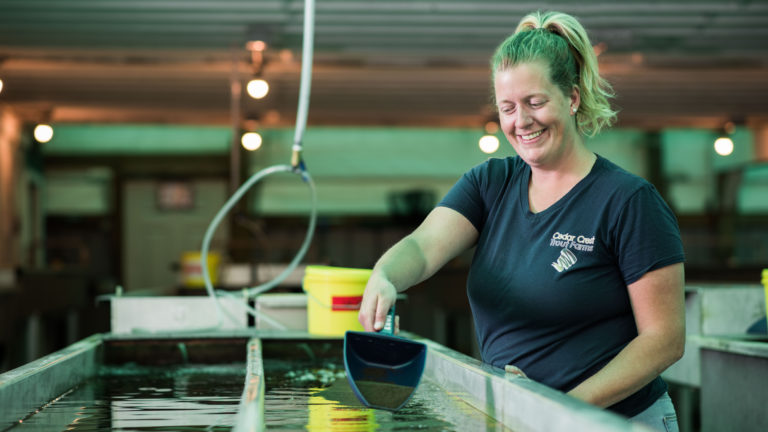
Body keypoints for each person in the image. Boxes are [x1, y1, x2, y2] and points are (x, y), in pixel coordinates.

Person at [358, 10, 685, 432]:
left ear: (571, 97)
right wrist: (385, 275)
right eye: (507, 107)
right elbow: (422, 248)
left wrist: (557, 409)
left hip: (612, 421)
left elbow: (664, 340)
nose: (521, 121)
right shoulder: (489, 184)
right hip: (520, 420)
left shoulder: (628, 202)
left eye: (535, 102)